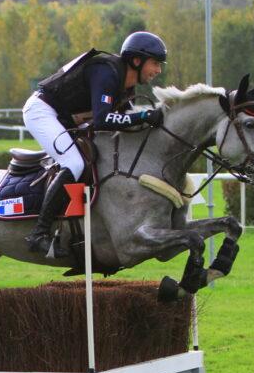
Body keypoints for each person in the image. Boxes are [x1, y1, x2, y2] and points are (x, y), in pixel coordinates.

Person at [21, 31, 168, 258]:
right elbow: (102, 120)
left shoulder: (125, 85)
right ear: (137, 61)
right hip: (41, 111)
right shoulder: (106, 73)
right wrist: (143, 117)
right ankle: (39, 235)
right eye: (155, 63)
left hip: (64, 117)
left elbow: (123, 124)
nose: (158, 70)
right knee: (74, 163)